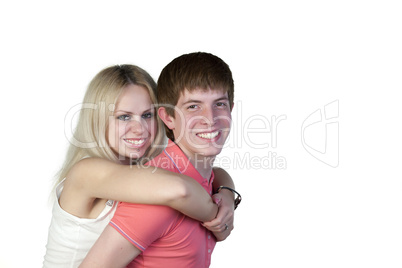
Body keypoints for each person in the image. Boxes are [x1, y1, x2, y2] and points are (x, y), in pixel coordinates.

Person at [43, 64, 236, 267]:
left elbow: (210, 172)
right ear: (98, 120)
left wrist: (227, 193)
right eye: (124, 117)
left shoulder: (139, 170)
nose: (139, 129)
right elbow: (181, 189)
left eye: (147, 115)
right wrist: (217, 217)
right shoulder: (87, 171)